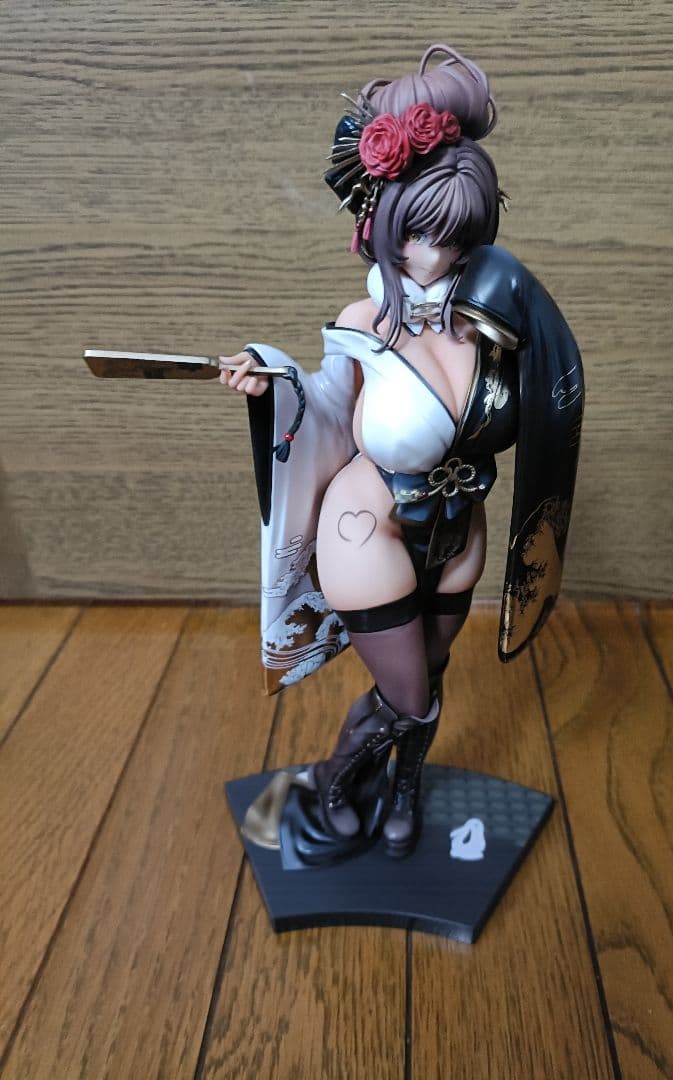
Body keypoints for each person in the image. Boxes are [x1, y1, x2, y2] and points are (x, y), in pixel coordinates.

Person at [220, 45, 584, 864]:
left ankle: (402, 791)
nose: (438, 255)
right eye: (421, 233)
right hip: (370, 523)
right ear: (384, 223)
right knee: (410, 694)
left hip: (459, 529)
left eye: (458, 236)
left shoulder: (495, 323)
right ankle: (330, 782)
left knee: (430, 677)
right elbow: (326, 408)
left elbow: (543, 403)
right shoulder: (364, 322)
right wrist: (267, 379)